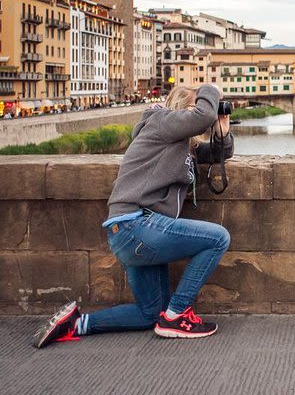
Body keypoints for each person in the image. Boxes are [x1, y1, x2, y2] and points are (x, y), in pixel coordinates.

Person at [32, 84, 235, 348]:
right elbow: (201, 118)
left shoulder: (182, 146)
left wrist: (222, 131)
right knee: (219, 238)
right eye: (195, 107)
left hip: (133, 233)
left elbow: (221, 153)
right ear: (182, 109)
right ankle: (176, 315)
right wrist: (210, 89)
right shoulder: (161, 122)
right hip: (137, 225)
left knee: (149, 314)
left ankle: (77, 324)